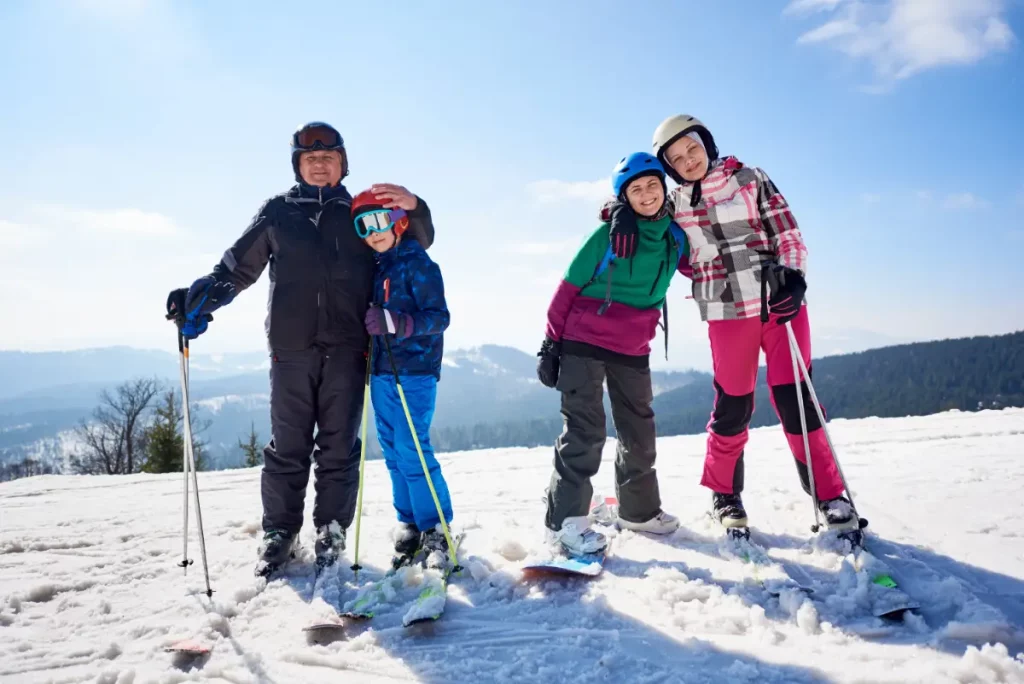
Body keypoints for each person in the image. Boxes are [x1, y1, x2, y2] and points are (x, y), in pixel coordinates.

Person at [165, 122, 436, 577]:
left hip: (351, 348)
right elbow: (236, 268)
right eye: (310, 158)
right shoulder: (278, 213)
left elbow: (415, 242)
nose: (318, 164)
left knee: (338, 448)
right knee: (287, 446)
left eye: (328, 158)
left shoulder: (359, 210)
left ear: (342, 164)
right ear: (297, 165)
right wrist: (201, 298)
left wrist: (418, 206)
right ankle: (280, 531)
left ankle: (330, 528)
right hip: (290, 349)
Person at [630, 113, 857, 532]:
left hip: (777, 302)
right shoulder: (673, 204)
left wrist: (794, 278)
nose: (688, 160)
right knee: (733, 404)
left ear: (707, 144)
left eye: (693, 148)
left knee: (796, 401)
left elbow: (787, 231)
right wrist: (616, 210)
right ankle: (725, 494)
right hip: (725, 310)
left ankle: (830, 494)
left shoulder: (750, 179)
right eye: (677, 158)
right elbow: (636, 207)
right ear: (670, 167)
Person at [536, 152, 687, 557]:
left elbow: (704, 261)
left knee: (639, 431)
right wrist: (551, 344)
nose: (646, 195)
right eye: (635, 190)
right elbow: (567, 288)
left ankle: (638, 510)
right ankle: (564, 522)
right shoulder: (607, 234)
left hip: (634, 345)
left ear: (663, 187)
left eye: (652, 185)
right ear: (625, 198)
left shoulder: (677, 236)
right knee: (585, 432)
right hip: (583, 341)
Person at [353, 190, 455, 569]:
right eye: (363, 226)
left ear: (399, 221)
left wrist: (397, 323)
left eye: (378, 221)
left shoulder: (420, 265)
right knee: (393, 451)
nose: (372, 232)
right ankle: (410, 522)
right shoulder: (376, 267)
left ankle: (437, 528)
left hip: (414, 371)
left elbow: (439, 318)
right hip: (381, 370)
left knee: (413, 449)